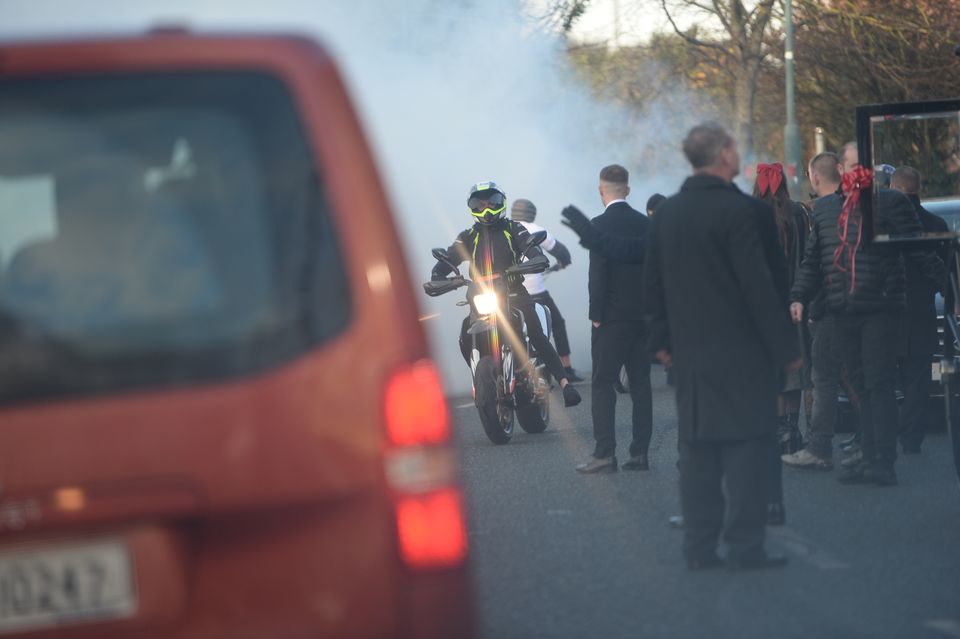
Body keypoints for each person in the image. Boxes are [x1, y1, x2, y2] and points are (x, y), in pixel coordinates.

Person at [563, 123, 800, 570]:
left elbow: (649, 279)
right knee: (748, 444)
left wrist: (662, 342)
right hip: (745, 350)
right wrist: (784, 346)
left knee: (698, 447)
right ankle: (746, 546)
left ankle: (699, 546)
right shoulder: (752, 213)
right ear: (726, 157)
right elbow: (765, 285)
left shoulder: (668, 215)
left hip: (690, 349)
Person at [789, 163, 947, 486]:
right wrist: (799, 295)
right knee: (863, 383)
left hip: (879, 309)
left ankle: (882, 460)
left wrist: (950, 288)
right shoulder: (827, 210)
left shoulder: (887, 204)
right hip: (845, 308)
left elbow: (918, 251)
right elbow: (814, 260)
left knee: (877, 383)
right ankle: (871, 453)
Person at [431, 181, 581, 408]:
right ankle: (481, 379)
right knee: (464, 332)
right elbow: (447, 260)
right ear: (472, 206)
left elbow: (533, 250)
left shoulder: (513, 229)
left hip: (513, 293)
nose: (486, 208)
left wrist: (536, 258)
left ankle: (564, 383)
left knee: (535, 331)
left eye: (491, 202)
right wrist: (438, 275)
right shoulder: (468, 236)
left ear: (501, 203)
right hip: (481, 296)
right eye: (479, 204)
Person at [575, 164, 653, 474]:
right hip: (643, 318)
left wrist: (596, 316)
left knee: (603, 384)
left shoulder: (598, 226)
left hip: (611, 319)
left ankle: (605, 453)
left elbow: (598, 276)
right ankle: (640, 454)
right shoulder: (646, 224)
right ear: (628, 190)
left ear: (600, 191)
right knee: (641, 385)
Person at [751, 162, 810, 524]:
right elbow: (805, 259)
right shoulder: (800, 214)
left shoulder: (751, 216)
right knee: (794, 364)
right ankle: (793, 429)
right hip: (794, 301)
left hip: (763, 305)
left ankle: (777, 430)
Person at [782, 152, 844, 471]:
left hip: (830, 306)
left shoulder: (820, 211)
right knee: (868, 380)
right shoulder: (862, 204)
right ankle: (874, 448)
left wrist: (799, 297)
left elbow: (813, 263)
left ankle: (819, 447)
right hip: (867, 305)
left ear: (815, 177)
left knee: (824, 378)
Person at [890, 166, 949, 454]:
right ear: (918, 188)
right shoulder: (936, 222)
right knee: (917, 379)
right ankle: (911, 438)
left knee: (882, 378)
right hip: (923, 311)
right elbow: (948, 272)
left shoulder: (882, 226)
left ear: (894, 189)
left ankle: (881, 436)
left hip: (887, 312)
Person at [509, 198, 583, 382]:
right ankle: (566, 368)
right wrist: (561, 265)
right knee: (557, 323)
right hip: (536, 293)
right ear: (532, 214)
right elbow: (563, 253)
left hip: (508, 292)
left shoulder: (505, 229)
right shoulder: (536, 230)